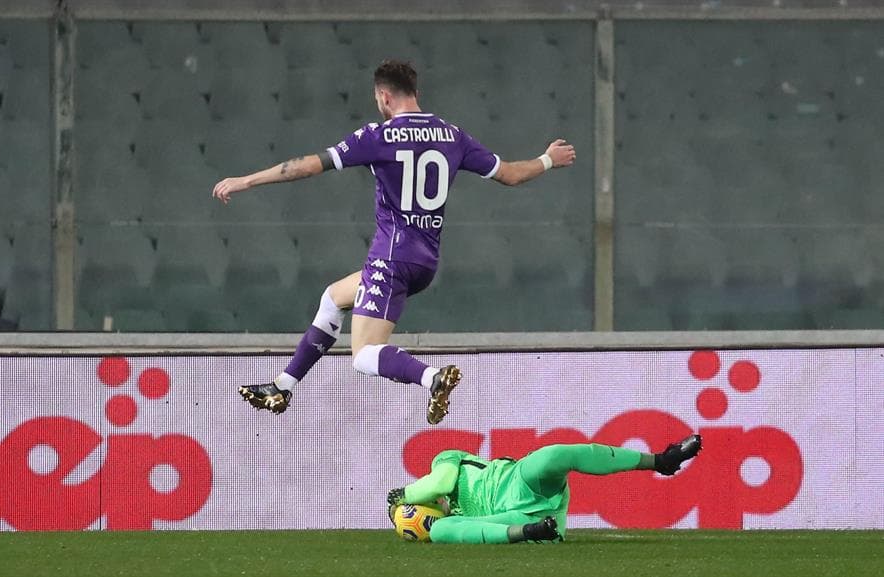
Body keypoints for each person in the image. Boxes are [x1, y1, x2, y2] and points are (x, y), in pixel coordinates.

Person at [211, 60, 576, 424]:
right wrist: (547, 159)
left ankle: (432, 378)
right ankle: (282, 386)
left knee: (363, 355)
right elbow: (510, 174)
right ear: (415, 92)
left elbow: (308, 165)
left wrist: (247, 181)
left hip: (390, 258)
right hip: (425, 261)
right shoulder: (452, 135)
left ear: (384, 97)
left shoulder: (378, 136)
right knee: (334, 298)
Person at [387, 434, 703, 544]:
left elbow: (440, 482)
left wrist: (403, 496)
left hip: (518, 482)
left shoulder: (446, 459)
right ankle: (529, 533)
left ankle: (661, 460)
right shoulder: (452, 519)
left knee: (554, 456)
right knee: (441, 532)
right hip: (516, 519)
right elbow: (443, 520)